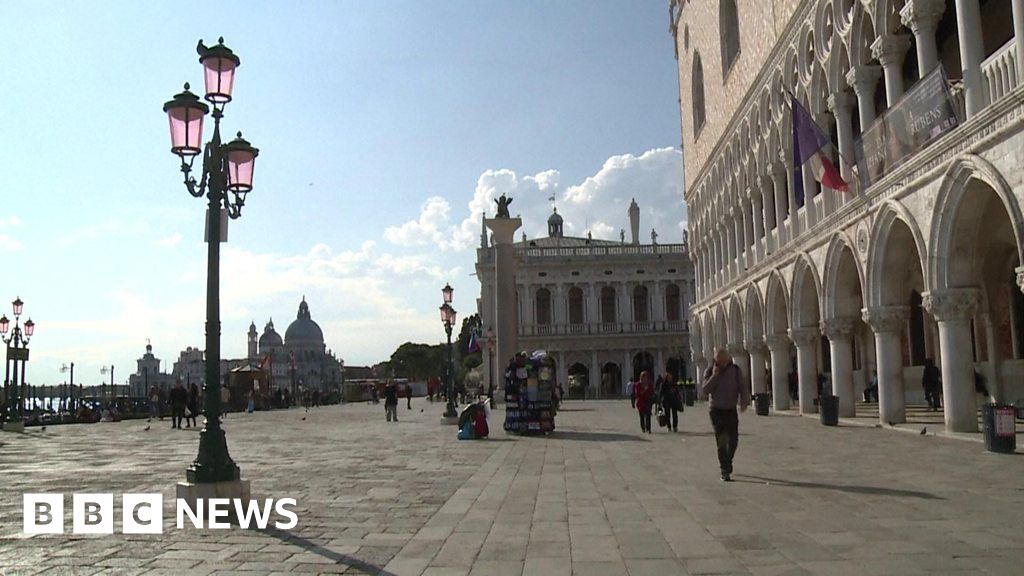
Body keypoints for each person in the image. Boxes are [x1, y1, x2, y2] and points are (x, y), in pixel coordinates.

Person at [702, 348, 751, 482]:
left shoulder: (735, 370)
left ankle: (728, 460)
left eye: (723, 362)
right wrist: (715, 375)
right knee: (722, 439)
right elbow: (705, 390)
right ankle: (724, 469)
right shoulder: (710, 370)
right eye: (719, 362)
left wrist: (745, 401)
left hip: (730, 409)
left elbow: (742, 386)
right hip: (716, 410)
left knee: (733, 440)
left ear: (728, 360)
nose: (721, 365)